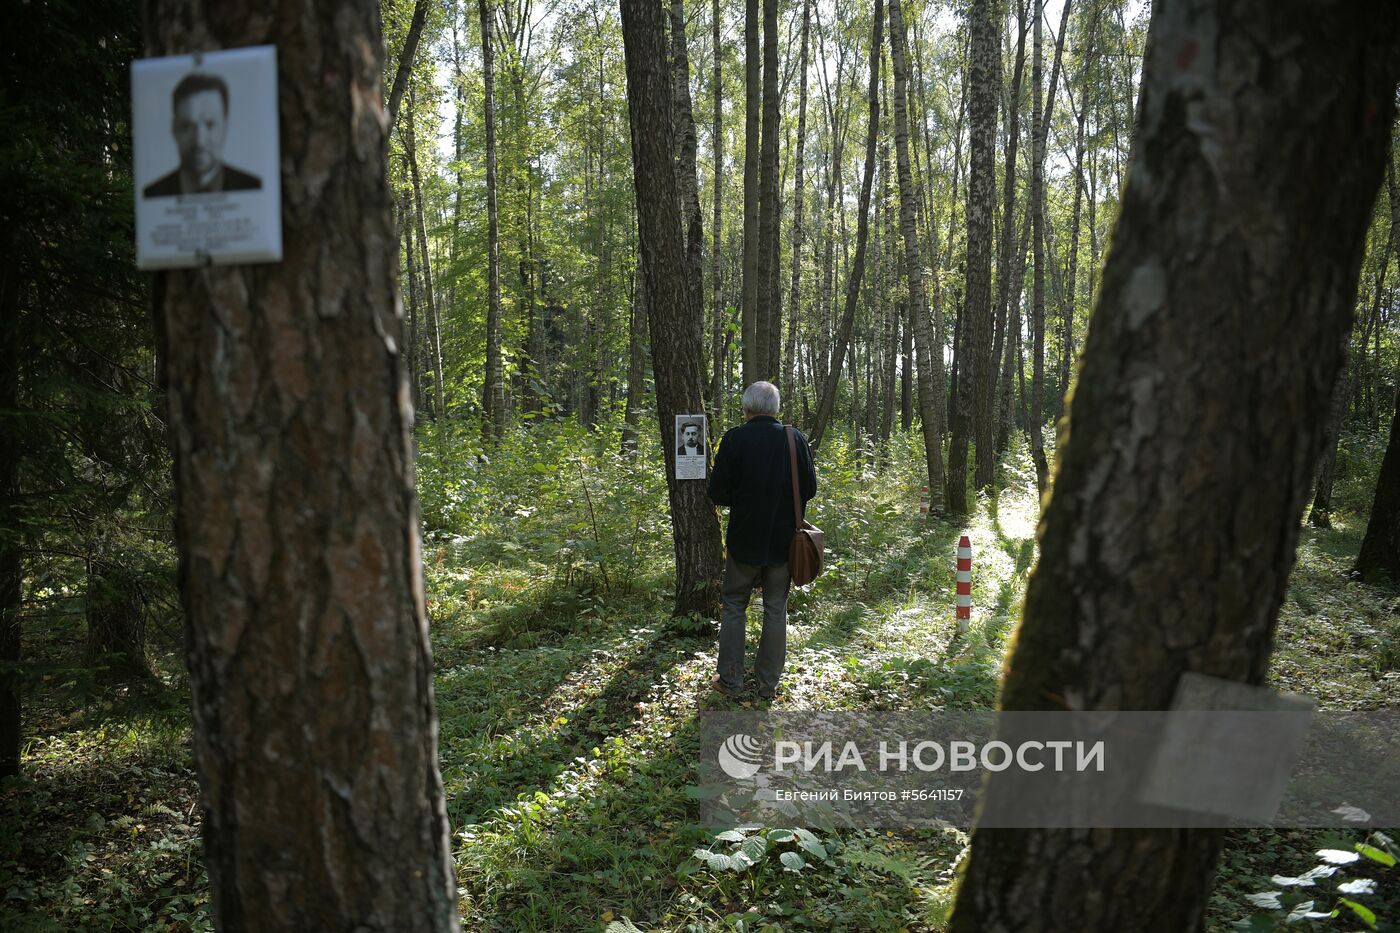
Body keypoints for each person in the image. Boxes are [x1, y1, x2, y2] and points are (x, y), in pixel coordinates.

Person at [707, 381, 816, 699]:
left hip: (743, 540)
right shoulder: (794, 438)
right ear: (775, 408)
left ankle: (731, 681)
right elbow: (809, 488)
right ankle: (768, 685)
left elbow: (717, 492)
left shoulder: (735, 439)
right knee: (775, 609)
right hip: (784, 543)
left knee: (734, 606)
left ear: (747, 408)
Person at [143, 72, 262, 198]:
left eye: (210, 125)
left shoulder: (253, 188)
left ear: (226, 126)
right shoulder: (152, 194)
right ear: (174, 129)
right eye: (187, 126)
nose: (200, 141)